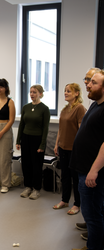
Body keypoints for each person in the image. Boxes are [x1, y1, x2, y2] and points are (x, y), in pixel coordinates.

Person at [70, 70, 104, 250]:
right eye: (89, 81)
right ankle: (94, 244)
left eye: (94, 82)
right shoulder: (95, 104)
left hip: (92, 172)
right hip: (84, 168)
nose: (88, 85)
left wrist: (94, 170)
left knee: (93, 215)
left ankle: (94, 247)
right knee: (91, 213)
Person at [53, 83, 86, 214]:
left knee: (75, 177)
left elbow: (81, 130)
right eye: (65, 91)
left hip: (74, 149)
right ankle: (64, 200)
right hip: (63, 147)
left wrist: (79, 148)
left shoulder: (80, 108)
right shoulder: (64, 109)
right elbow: (60, 130)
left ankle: (77, 204)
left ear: (77, 93)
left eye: (69, 91)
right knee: (65, 175)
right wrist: (56, 145)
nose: (65, 93)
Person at [16, 85, 50, 200]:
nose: (32, 94)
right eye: (30, 92)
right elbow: (21, 125)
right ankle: (28, 187)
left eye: (34, 92)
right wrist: (18, 140)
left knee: (36, 165)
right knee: (26, 163)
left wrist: (42, 144)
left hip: (37, 139)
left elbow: (45, 128)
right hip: (26, 138)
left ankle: (36, 189)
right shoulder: (26, 107)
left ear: (40, 93)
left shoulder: (44, 109)